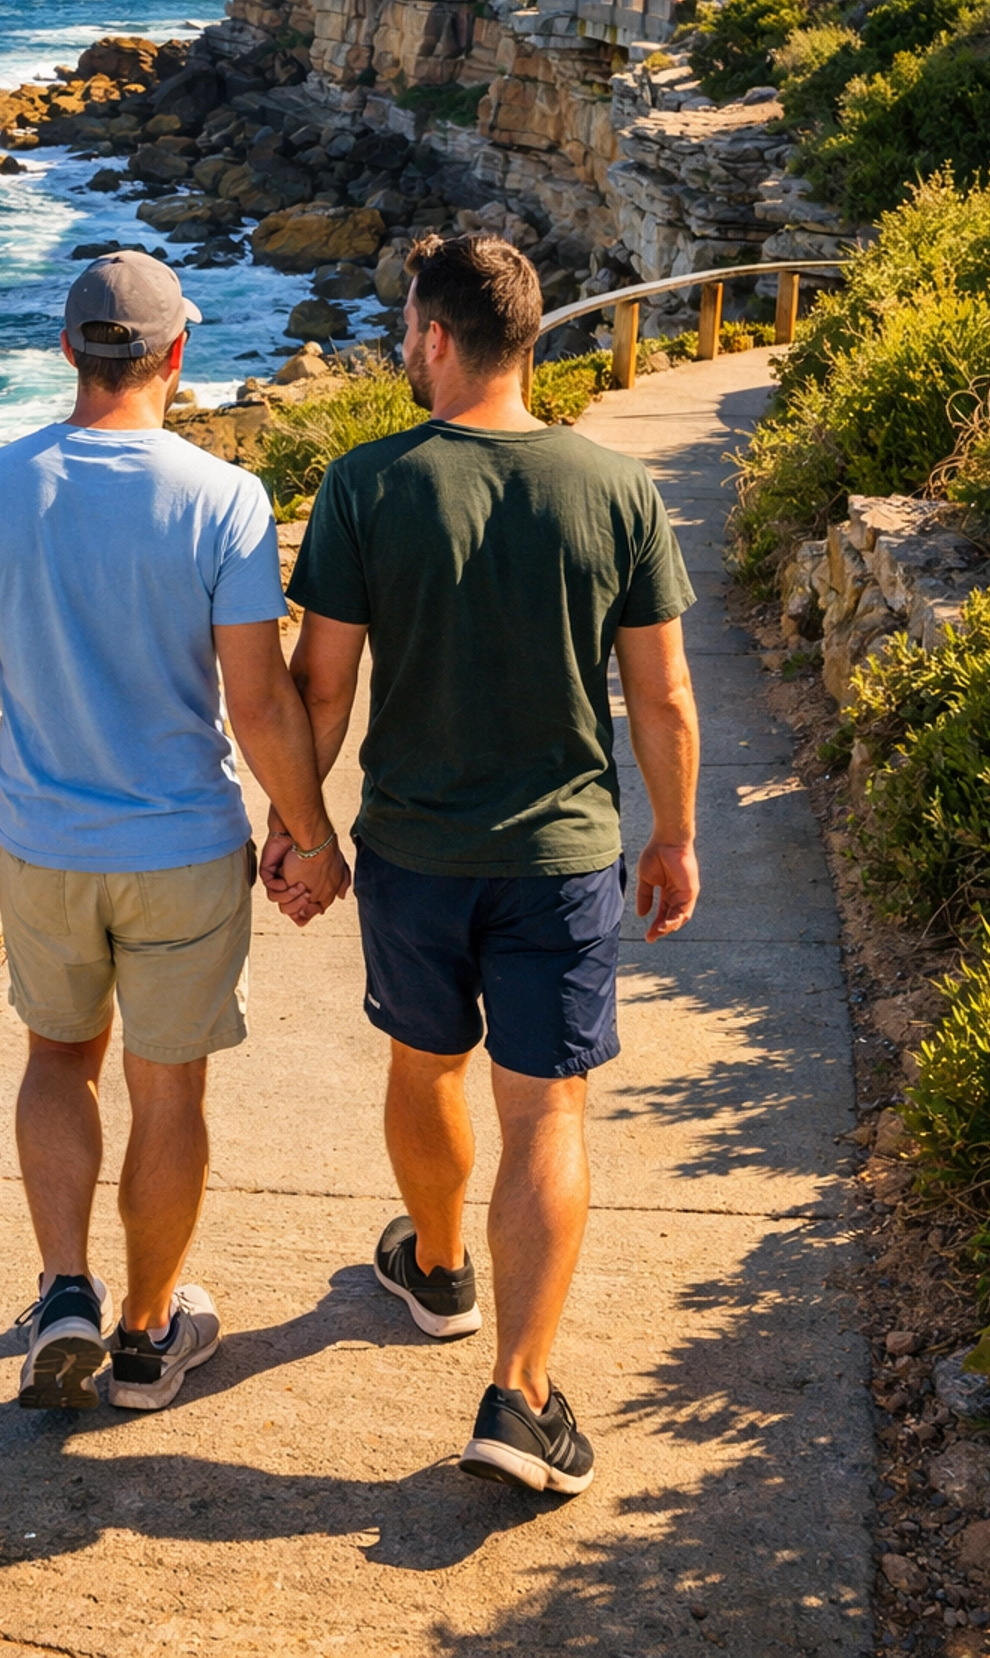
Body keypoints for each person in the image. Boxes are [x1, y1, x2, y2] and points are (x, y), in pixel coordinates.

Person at [264, 232, 700, 1497]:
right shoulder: (614, 488)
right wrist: (672, 836)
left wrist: (302, 833)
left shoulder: (367, 484)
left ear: (437, 339)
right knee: (546, 1109)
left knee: (424, 1061)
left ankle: (440, 1266)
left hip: (412, 851)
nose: (402, 345)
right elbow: (662, 697)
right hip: (563, 857)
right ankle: (518, 1395)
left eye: (406, 326)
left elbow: (319, 688)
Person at [0, 251, 347, 1413]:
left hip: (47, 849)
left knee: (58, 1059)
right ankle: (152, 1336)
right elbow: (257, 703)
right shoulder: (223, 498)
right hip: (181, 853)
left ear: (69, 351)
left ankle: (65, 1292)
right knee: (169, 1092)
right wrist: (307, 835)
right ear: (176, 356)